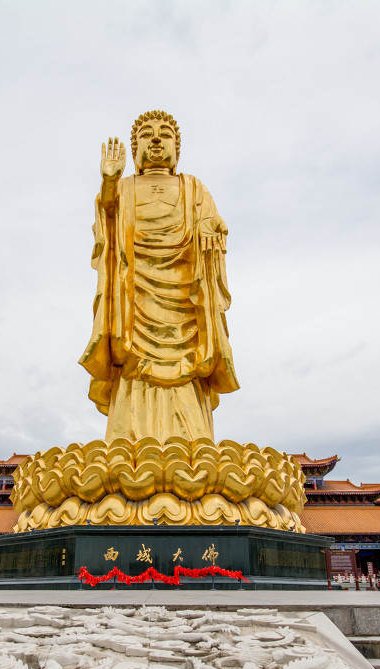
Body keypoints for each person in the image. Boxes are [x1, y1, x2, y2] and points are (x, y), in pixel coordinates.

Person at [79, 110, 238, 442]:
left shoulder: (193, 188)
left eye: (164, 134)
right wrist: (109, 183)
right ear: (135, 150)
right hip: (133, 303)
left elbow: (213, 223)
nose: (155, 140)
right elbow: (107, 227)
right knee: (131, 370)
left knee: (188, 380)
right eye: (146, 136)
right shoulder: (122, 187)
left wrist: (212, 228)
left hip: (184, 304)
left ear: (176, 151)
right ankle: (127, 438)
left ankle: (192, 439)